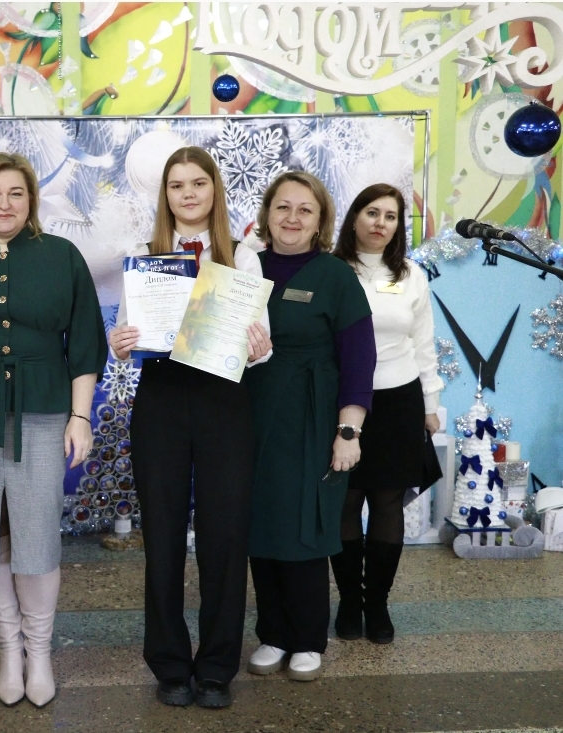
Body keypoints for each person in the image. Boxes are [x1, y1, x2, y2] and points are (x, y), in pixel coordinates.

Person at [107, 147, 272, 709]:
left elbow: (263, 343)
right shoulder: (143, 258)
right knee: (162, 535)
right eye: (177, 185)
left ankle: (218, 667)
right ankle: (171, 664)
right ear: (166, 195)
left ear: (214, 190)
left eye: (198, 183)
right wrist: (119, 342)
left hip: (225, 401)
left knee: (226, 537)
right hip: (162, 401)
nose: (188, 194)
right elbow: (128, 333)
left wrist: (261, 348)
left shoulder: (242, 256)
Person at [0, 152, 107, 708]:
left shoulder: (62, 255)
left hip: (43, 409)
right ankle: (8, 651)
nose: (4, 204)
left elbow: (85, 342)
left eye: (15, 193)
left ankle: (39, 652)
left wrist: (80, 417)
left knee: (35, 533)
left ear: (31, 200)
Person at [244, 171, 376, 682]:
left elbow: (360, 359)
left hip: (312, 419)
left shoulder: (336, 276)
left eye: (305, 209)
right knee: (259, 524)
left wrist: (349, 431)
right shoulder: (245, 268)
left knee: (304, 528)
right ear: (267, 214)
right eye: (283, 207)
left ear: (321, 221)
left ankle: (306, 639)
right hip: (250, 416)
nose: (292, 218)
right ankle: (272, 633)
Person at [330, 184, 443, 644]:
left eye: (391, 216)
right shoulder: (332, 270)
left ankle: (376, 605)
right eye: (372, 213)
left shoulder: (411, 275)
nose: (380, 223)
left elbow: (423, 343)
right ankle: (348, 603)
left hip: (399, 400)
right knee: (346, 501)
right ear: (354, 218)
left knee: (387, 503)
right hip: (344, 402)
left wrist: (431, 405)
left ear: (399, 226)